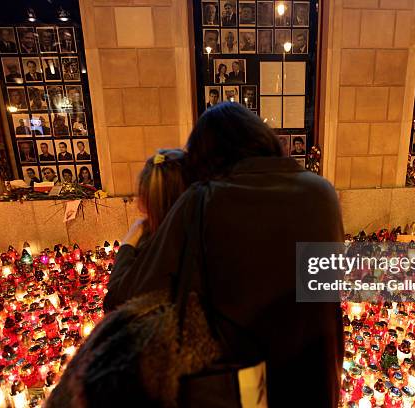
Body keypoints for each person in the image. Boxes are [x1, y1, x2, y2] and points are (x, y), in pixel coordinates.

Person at [104, 102, 343, 407]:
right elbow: (323, 288)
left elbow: (123, 301)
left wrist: (129, 243)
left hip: (249, 392)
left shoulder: (204, 201)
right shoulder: (322, 192)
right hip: (316, 384)